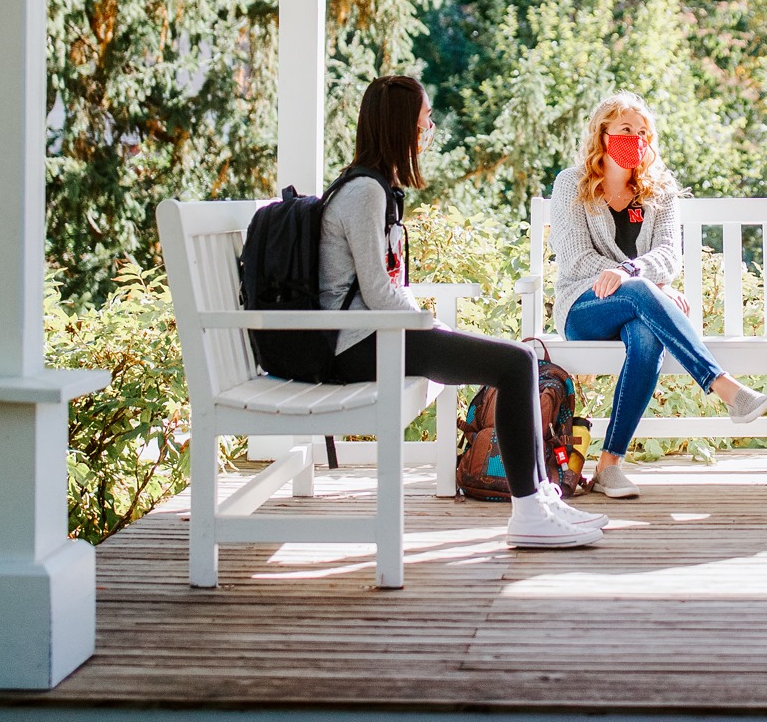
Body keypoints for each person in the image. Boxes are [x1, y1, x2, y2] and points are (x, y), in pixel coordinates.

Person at [248, 75, 604, 549]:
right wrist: (431, 327)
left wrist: (429, 328)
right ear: (400, 126)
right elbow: (378, 292)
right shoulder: (364, 193)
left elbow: (385, 289)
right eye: (424, 118)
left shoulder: (375, 189)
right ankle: (530, 511)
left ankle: (541, 498)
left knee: (516, 361)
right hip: (353, 346)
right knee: (516, 363)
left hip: (375, 336)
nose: (429, 128)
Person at [552, 93, 767, 498]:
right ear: (602, 134)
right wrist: (635, 283)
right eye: (625, 130)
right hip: (583, 307)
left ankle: (609, 465)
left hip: (639, 303)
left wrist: (631, 275)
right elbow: (574, 257)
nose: (635, 138)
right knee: (638, 290)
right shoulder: (572, 183)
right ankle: (725, 387)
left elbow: (668, 255)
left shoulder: (659, 189)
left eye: (642, 132)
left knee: (646, 335)